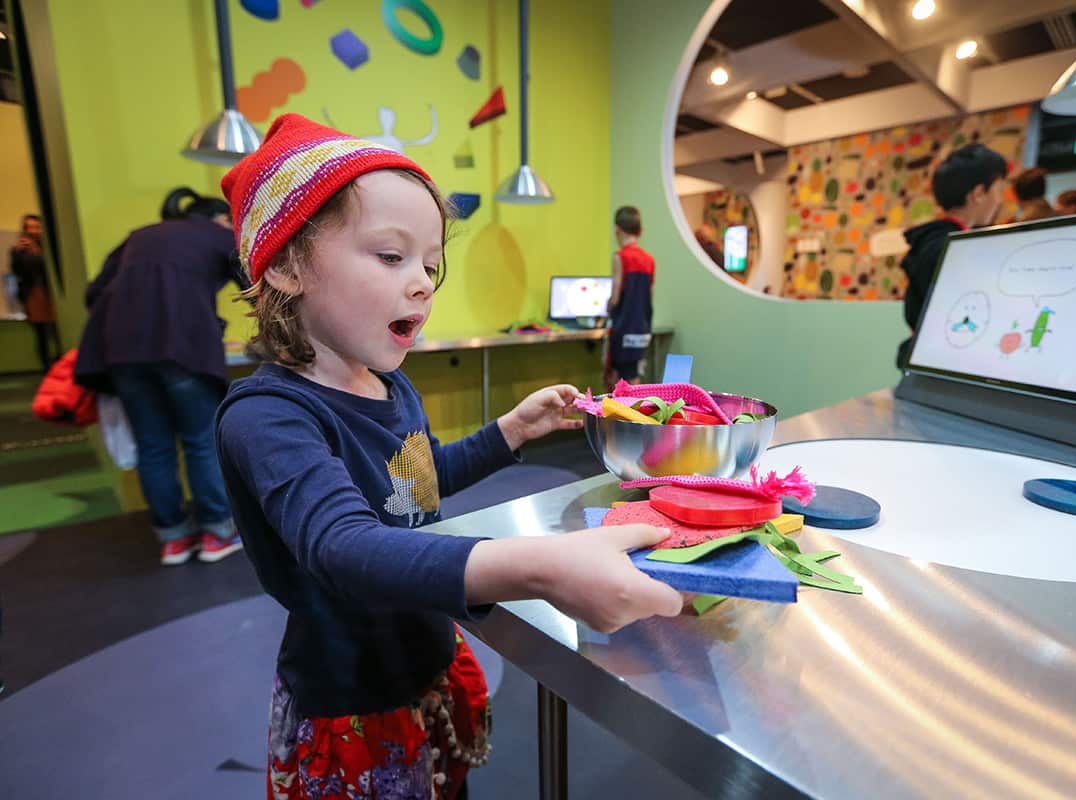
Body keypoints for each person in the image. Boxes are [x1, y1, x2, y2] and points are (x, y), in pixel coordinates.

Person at [214, 114, 681, 799]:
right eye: (390, 256)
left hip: (426, 655)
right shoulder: (268, 416)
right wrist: (539, 568)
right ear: (285, 264)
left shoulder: (389, 384)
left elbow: (419, 483)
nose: (424, 283)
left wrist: (511, 430)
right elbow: (344, 547)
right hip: (350, 696)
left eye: (430, 264)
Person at [75, 187, 247, 566]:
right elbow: (254, 287)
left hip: (121, 353)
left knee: (153, 446)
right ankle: (218, 533)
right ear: (222, 219)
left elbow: (95, 292)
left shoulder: (140, 236)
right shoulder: (221, 236)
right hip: (182, 349)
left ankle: (173, 538)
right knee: (202, 441)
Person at [897, 143, 1008, 368]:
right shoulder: (952, 248)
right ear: (978, 193)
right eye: (998, 190)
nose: (1000, 200)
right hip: (942, 364)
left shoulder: (935, 241)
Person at [605, 206, 655, 389]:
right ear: (640, 231)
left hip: (623, 329)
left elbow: (615, 297)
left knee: (616, 381)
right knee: (634, 379)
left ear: (617, 229)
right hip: (642, 330)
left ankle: (616, 418)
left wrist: (607, 308)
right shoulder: (649, 260)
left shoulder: (620, 257)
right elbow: (650, 295)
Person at [9, 213, 61, 371]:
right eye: (29, 227)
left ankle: (61, 360)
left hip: (52, 293)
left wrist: (38, 253)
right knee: (41, 333)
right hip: (33, 293)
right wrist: (17, 255)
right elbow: (18, 273)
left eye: (36, 227)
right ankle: (47, 366)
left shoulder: (49, 247)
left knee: (57, 330)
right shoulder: (19, 250)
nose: (33, 231)